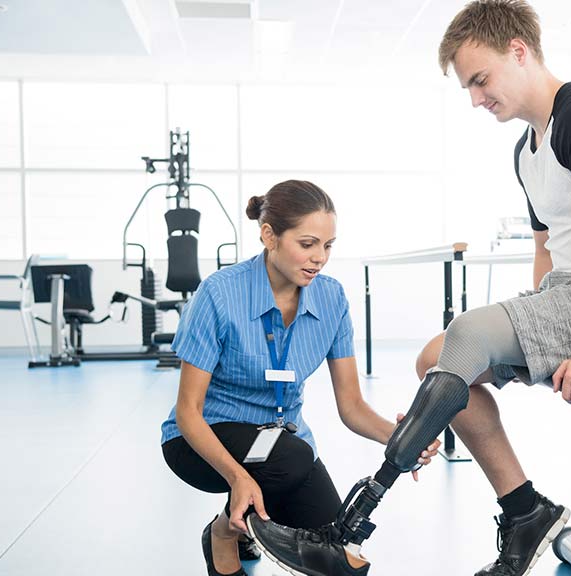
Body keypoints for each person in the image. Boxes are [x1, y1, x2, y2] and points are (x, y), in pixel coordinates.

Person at [247, 2, 571, 575]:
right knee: (438, 358)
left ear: (519, 51)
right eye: (468, 88)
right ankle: (524, 510)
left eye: (481, 80)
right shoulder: (527, 148)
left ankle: (349, 527)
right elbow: (545, 250)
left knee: (465, 334)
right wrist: (540, 335)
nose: (477, 99)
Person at [160, 180, 441, 576]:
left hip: (284, 449)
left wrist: (400, 439)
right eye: (307, 244)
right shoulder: (219, 294)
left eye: (328, 246)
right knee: (291, 456)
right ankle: (224, 533)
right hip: (204, 437)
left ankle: (247, 519)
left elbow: (352, 405)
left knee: (337, 555)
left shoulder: (331, 299)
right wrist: (239, 479)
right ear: (269, 235)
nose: (319, 258)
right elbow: (188, 412)